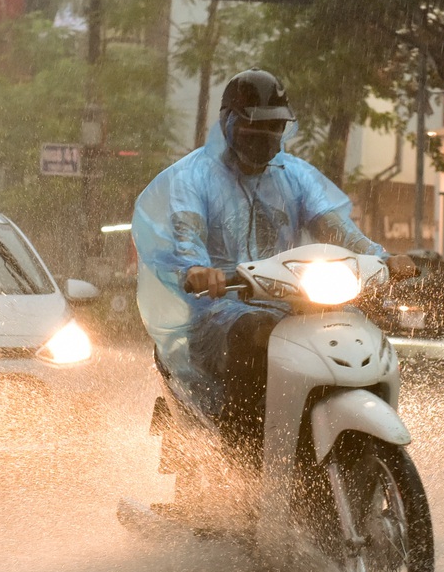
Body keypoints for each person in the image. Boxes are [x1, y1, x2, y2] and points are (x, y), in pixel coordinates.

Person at [131, 68, 415, 458]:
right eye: (255, 127)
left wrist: (380, 257)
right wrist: (197, 268)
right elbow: (186, 231)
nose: (265, 139)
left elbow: (335, 228)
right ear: (228, 121)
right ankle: (243, 463)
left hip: (290, 300)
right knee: (257, 334)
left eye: (275, 128)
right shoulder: (194, 178)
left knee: (354, 324)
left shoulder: (294, 175)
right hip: (220, 309)